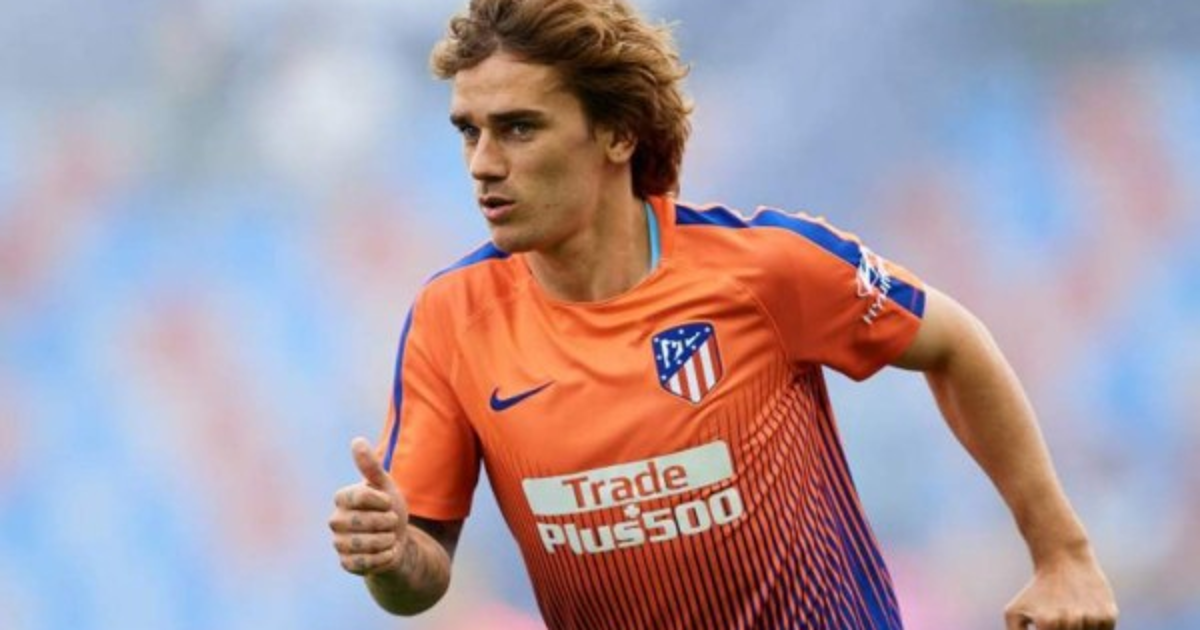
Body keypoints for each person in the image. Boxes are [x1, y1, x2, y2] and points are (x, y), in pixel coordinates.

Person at [328, 0, 1119, 628]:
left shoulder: (765, 267)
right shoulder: (451, 317)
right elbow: (419, 579)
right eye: (468, 131)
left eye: (518, 128)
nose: (482, 163)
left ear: (617, 133)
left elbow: (952, 342)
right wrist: (392, 556)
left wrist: (1062, 552)